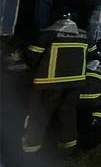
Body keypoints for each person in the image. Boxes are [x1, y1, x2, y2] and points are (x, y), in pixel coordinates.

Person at [22, 11, 96, 153]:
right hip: (76, 83)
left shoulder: (47, 34)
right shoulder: (85, 35)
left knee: (41, 112)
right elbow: (93, 54)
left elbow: (32, 55)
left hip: (50, 82)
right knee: (67, 112)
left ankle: (32, 144)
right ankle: (68, 144)